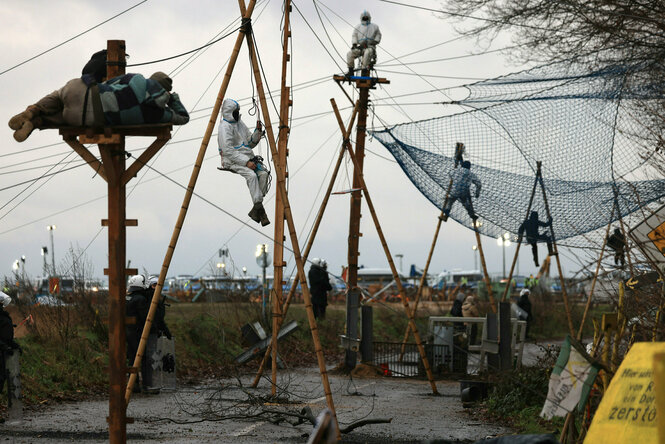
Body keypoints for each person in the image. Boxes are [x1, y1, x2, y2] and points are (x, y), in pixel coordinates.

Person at [8, 71, 189, 142]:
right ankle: (38, 122)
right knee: (63, 119)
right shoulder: (157, 115)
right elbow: (183, 118)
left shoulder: (137, 79)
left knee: (58, 96)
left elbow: (110, 81)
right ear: (165, 93)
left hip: (84, 92)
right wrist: (174, 100)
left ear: (152, 79)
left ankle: (32, 112)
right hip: (90, 118)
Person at [217, 98, 270, 226]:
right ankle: (260, 211)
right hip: (232, 161)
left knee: (263, 175)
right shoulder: (224, 127)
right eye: (236, 111)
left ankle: (257, 207)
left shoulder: (239, 123)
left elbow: (249, 142)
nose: (238, 113)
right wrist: (246, 163)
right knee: (252, 176)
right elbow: (228, 150)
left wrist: (257, 133)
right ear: (230, 111)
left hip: (247, 158)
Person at [125, 275, 149, 392]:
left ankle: (132, 383)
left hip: (128, 331)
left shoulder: (127, 298)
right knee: (143, 357)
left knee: (132, 358)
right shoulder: (141, 299)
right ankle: (145, 383)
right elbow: (144, 317)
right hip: (138, 332)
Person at [346, 10, 382, 77]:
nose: (365, 19)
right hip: (360, 47)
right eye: (364, 18)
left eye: (366, 18)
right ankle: (350, 71)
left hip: (370, 47)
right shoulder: (358, 27)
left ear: (369, 18)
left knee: (367, 53)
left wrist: (372, 42)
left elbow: (378, 36)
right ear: (361, 18)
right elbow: (354, 36)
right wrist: (354, 44)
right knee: (350, 54)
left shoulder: (375, 27)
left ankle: (364, 71)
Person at [0, 292, 20, 401]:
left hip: (3, 354)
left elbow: (5, 336)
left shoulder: (4, 317)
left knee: (1, 380)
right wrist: (4, 346)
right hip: (2, 351)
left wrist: (13, 345)